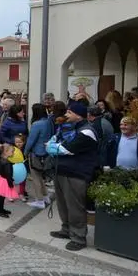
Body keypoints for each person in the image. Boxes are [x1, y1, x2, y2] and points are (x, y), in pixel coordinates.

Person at [46, 101, 99, 251]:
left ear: (78, 115)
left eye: (69, 112)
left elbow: (65, 149)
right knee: (62, 204)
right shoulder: (67, 128)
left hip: (76, 174)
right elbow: (55, 143)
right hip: (61, 171)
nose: (66, 115)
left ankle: (78, 237)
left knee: (75, 206)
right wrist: (53, 146)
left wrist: (52, 147)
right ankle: (66, 229)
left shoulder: (87, 131)